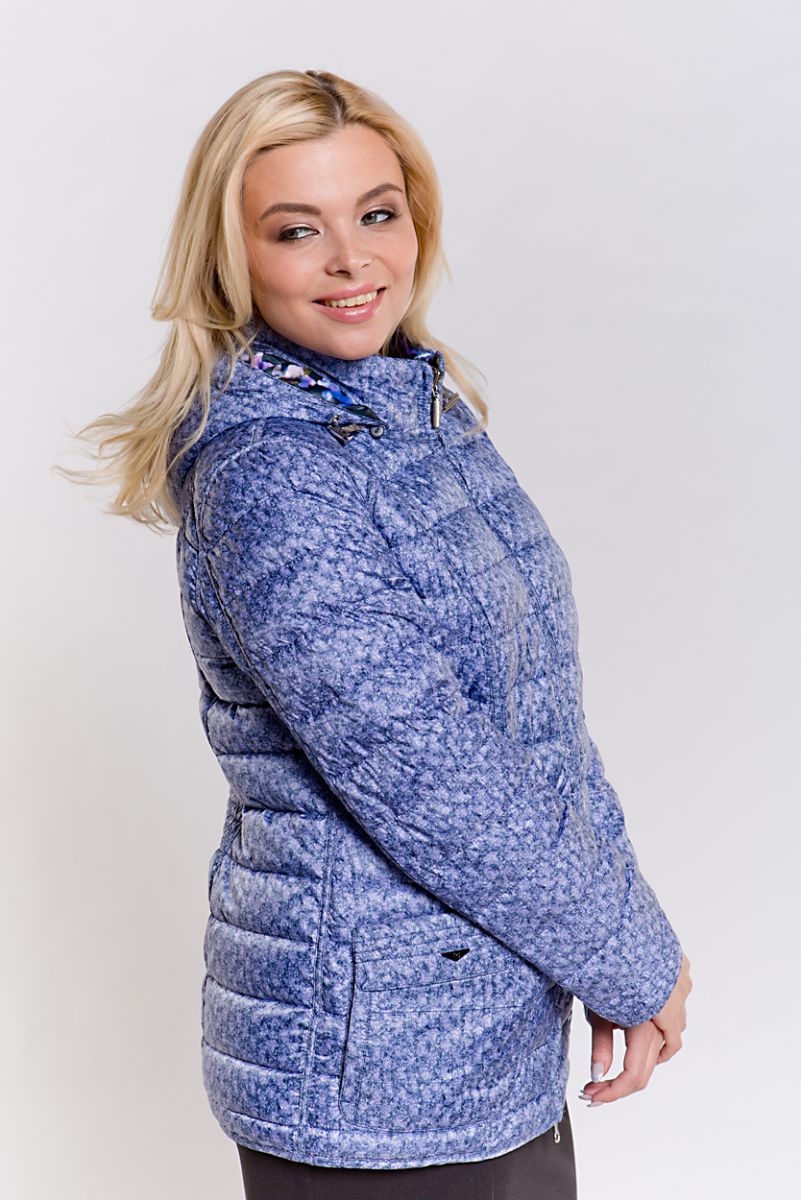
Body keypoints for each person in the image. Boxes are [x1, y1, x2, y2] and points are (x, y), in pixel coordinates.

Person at [60, 68, 692, 1199]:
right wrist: (627, 957)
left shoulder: (420, 412)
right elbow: (427, 764)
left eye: (377, 214)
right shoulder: (272, 471)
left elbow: (538, 723)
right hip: (371, 1064)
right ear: (231, 257)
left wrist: (620, 942)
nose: (352, 261)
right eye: (297, 230)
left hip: (486, 1023)